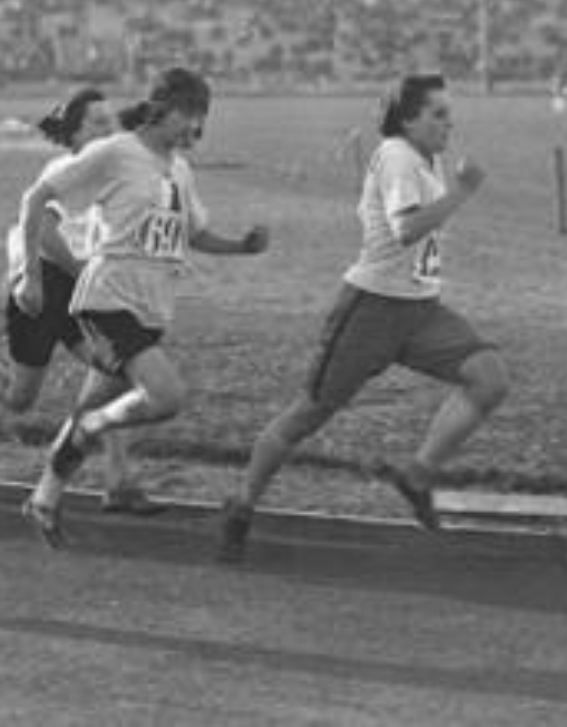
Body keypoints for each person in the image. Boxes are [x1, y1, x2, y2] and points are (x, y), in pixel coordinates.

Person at [216, 73, 509, 564]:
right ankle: (241, 506)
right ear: (408, 117)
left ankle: (417, 475)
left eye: (449, 114)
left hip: (420, 310)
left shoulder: (423, 157)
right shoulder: (396, 155)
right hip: (370, 310)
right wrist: (461, 191)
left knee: (489, 377)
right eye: (437, 113)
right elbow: (406, 229)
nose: (448, 123)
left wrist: (451, 189)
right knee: (309, 414)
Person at [16, 67, 270, 549]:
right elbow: (38, 197)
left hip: (151, 309)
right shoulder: (116, 152)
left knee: (91, 407)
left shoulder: (180, 169)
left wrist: (242, 247)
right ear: (162, 110)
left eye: (202, 118)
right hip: (108, 298)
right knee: (166, 395)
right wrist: (30, 274)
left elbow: (193, 234)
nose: (196, 129)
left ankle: (44, 499)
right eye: (189, 117)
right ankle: (93, 432)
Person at [0, 86, 166, 515]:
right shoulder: (66, 167)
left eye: (111, 120)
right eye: (97, 121)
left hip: (81, 292)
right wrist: (54, 277)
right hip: (45, 285)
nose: (109, 127)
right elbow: (41, 229)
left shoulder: (113, 172)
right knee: (19, 398)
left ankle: (118, 482)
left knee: (118, 376)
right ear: (75, 134)